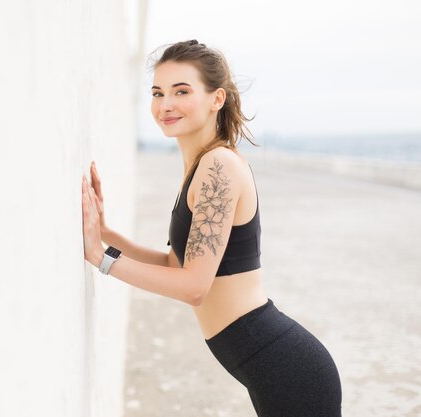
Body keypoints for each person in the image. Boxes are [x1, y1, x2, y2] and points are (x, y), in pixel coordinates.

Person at [81, 39, 342, 417]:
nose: (165, 104)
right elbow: (176, 265)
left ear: (216, 99)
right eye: (158, 93)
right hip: (266, 365)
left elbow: (194, 286)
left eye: (181, 91)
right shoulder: (200, 167)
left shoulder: (218, 166)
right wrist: (107, 234)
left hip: (287, 368)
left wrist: (100, 259)